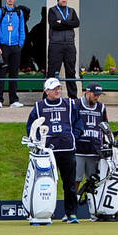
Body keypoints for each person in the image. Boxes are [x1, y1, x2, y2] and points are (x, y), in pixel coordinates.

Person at [27, 77, 83, 223]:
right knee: (46, 183)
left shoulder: (70, 104)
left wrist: (72, 137)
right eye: (54, 88)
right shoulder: (39, 107)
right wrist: (39, 143)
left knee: (69, 184)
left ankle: (71, 214)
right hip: (47, 153)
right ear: (46, 91)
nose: (58, 90)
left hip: (67, 149)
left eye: (59, 88)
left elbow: (79, 124)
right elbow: (31, 128)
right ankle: (45, 212)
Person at [71, 83, 108, 211]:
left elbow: (105, 127)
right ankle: (71, 210)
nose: (97, 97)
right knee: (75, 180)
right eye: (94, 94)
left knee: (94, 182)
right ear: (87, 92)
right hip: (79, 150)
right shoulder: (75, 104)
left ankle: (95, 211)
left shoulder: (101, 108)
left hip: (94, 151)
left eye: (99, 95)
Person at [0, 0, 26, 109]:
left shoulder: (19, 13)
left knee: (14, 74)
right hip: (3, 47)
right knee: (0, 74)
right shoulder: (0, 12)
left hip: (15, 47)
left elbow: (22, 29)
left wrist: (20, 45)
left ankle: (13, 100)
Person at [47, 0, 80, 98]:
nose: (64, 0)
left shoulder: (71, 10)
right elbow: (54, 24)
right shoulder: (52, 10)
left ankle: (73, 98)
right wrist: (68, 24)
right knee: (52, 72)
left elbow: (76, 23)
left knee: (71, 72)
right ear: (58, 0)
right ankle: (48, 98)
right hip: (56, 45)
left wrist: (63, 22)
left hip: (69, 45)